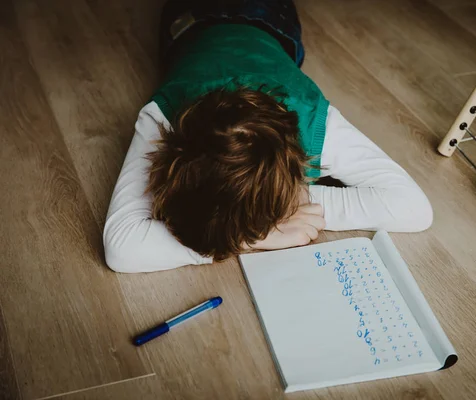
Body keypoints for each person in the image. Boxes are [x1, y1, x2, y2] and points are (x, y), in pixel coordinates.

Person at [103, 0, 433, 273]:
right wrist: (260, 236)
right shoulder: (163, 119)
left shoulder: (314, 120)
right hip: (192, 19)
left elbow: (415, 208)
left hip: (265, 16)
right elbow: (122, 249)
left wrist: (252, 227)